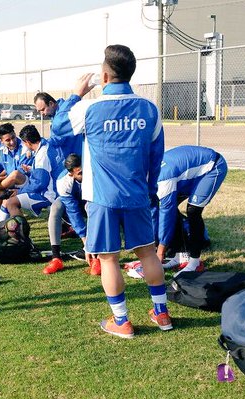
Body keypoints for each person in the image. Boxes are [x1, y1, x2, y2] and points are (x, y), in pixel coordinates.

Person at [54, 44, 169, 338]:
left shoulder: (88, 108)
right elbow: (157, 156)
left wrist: (77, 93)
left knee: (108, 258)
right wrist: (150, 188)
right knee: (147, 253)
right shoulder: (149, 109)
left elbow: (57, 129)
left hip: (102, 197)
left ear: (104, 76)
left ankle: (122, 321)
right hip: (137, 195)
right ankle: (162, 314)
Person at [153, 146, 227, 273]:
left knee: (193, 211)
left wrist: (160, 252)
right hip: (187, 170)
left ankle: (195, 262)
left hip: (213, 166)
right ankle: (179, 255)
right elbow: (153, 212)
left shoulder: (163, 179)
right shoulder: (149, 175)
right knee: (172, 208)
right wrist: (153, 245)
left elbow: (167, 214)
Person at [46, 153, 101, 276]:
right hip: (73, 200)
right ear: (71, 173)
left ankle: (95, 257)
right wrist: (84, 239)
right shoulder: (63, 182)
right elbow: (73, 212)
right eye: (80, 173)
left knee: (92, 209)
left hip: (92, 200)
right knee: (55, 208)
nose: (84, 175)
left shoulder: (93, 172)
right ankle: (56, 258)